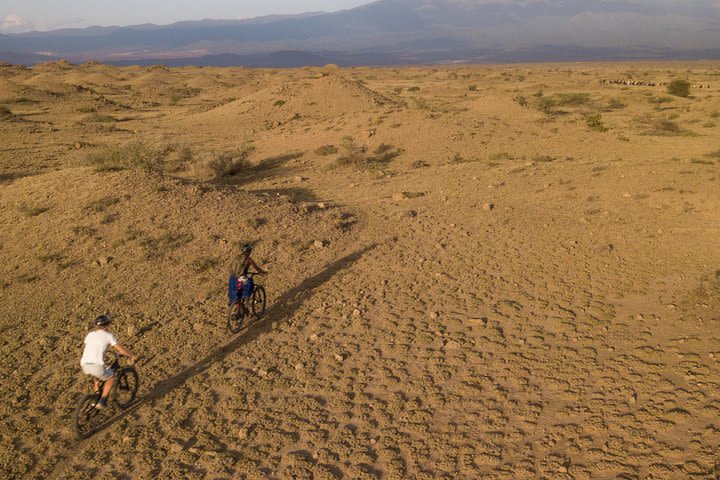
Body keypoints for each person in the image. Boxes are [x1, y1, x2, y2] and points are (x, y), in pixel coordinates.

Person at [80, 315, 137, 409]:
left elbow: (93, 347)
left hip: (84, 364)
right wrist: (132, 355)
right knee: (111, 377)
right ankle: (102, 401)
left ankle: (95, 398)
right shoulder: (109, 336)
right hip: (97, 365)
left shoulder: (90, 334)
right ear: (107, 325)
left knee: (97, 378)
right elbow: (122, 351)